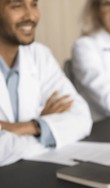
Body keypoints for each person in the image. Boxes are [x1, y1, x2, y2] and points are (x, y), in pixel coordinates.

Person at [0, 0, 92, 167]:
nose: (30, 15)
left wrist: (28, 126)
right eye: (16, 6)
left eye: (34, 4)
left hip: (33, 175)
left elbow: (81, 117)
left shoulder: (39, 55)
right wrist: (47, 129)